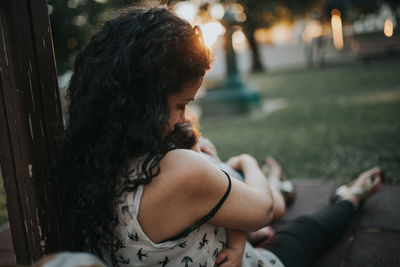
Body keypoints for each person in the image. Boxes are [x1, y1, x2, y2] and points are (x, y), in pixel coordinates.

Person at [55, 5, 384, 267]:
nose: (183, 117)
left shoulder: (89, 159)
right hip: (248, 243)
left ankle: (277, 183)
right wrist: (248, 160)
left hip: (202, 226)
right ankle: (351, 196)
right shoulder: (181, 170)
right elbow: (264, 211)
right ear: (146, 100)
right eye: (180, 104)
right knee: (303, 232)